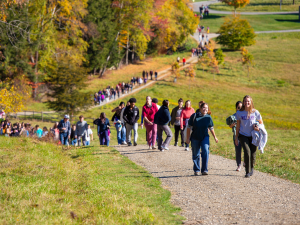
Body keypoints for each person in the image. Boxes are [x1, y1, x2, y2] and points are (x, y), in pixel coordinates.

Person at [186, 102, 218, 176]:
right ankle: (197, 170)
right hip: (195, 137)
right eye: (204, 108)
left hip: (205, 137)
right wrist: (188, 138)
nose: (205, 109)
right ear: (200, 108)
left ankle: (204, 170)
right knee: (196, 154)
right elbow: (189, 127)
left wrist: (215, 137)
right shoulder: (194, 116)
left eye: (206, 108)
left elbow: (211, 127)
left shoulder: (208, 117)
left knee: (206, 151)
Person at [235, 95, 263, 178]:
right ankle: (247, 171)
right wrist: (236, 137)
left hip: (253, 135)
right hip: (243, 135)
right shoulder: (239, 113)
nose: (246, 102)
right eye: (245, 101)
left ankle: (252, 168)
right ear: (243, 102)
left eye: (248, 101)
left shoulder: (255, 112)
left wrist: (258, 128)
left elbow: (261, 122)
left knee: (253, 154)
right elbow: (238, 126)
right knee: (247, 152)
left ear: (251, 102)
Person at [227, 101, 243, 171]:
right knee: (238, 151)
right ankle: (239, 165)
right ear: (236, 108)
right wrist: (232, 125)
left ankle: (245, 162)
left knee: (246, 150)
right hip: (236, 137)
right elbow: (230, 126)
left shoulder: (244, 116)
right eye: (238, 107)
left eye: (241, 107)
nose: (239, 109)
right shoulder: (233, 116)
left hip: (244, 135)